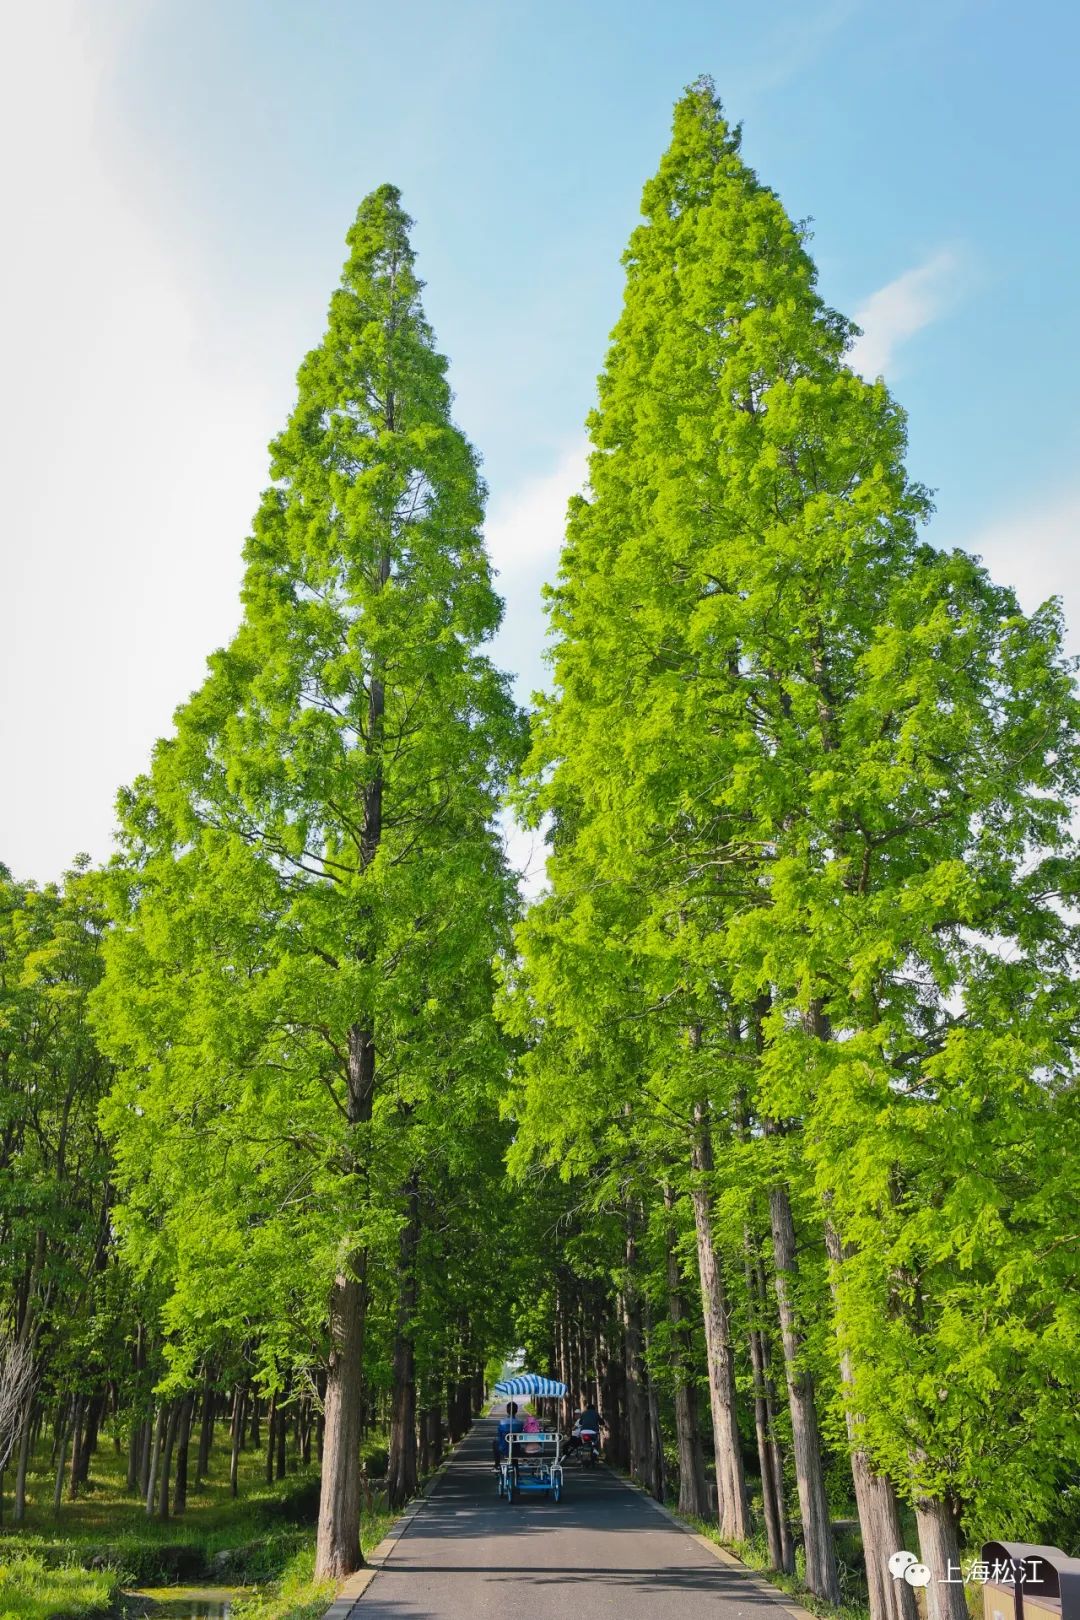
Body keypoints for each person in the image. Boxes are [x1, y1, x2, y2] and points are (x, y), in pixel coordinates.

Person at [492, 1401, 523, 1469]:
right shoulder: (520, 1423)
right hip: (516, 1449)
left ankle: (497, 1464)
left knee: (495, 1442)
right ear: (516, 1411)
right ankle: (515, 1465)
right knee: (514, 1443)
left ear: (507, 1410)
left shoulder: (502, 1422)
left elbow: (499, 1434)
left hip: (504, 1448)